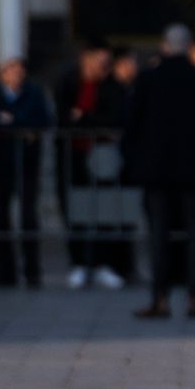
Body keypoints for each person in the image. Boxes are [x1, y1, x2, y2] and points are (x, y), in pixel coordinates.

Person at [123, 24, 195, 317]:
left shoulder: (148, 79)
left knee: (159, 234)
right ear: (188, 46)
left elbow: (131, 122)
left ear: (164, 45)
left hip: (157, 169)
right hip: (194, 167)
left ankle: (160, 297)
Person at [56, 37, 131, 290]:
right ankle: (79, 263)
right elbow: (64, 119)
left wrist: (84, 118)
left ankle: (104, 264)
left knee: (105, 211)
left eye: (107, 62)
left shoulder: (112, 87)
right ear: (85, 58)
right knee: (76, 210)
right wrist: (89, 122)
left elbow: (115, 118)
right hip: (74, 156)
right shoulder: (68, 83)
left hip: (104, 158)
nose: (103, 66)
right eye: (99, 61)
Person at [0, 57, 55, 287]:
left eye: (19, 69)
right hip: (2, 162)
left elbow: (43, 119)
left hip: (26, 162)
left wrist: (12, 120)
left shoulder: (33, 93)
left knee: (28, 216)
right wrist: (21, 126)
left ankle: (32, 271)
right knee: (1, 216)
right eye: (10, 70)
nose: (15, 74)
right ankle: (5, 271)